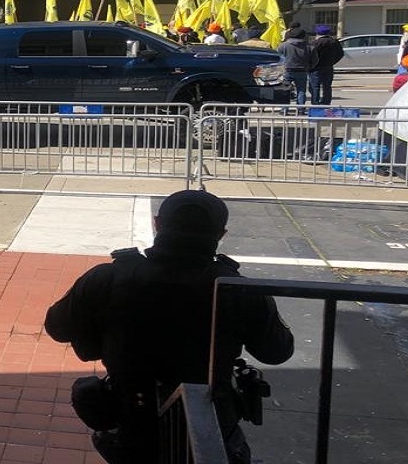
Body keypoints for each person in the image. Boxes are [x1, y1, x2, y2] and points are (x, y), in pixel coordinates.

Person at [45, 190, 294, 464]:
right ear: (221, 234)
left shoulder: (107, 277)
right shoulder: (237, 289)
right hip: (209, 420)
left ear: (157, 223)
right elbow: (277, 351)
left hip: (130, 418)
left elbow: (58, 328)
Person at [277, 28, 317, 105]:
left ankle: (284, 109)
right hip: (302, 71)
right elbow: (314, 60)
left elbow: (278, 58)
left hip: (286, 70)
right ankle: (300, 109)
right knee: (301, 91)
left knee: (285, 90)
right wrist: (309, 67)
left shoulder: (283, 46)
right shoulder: (309, 46)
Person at [309, 24, 345, 105]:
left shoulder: (315, 43)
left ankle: (315, 102)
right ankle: (326, 102)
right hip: (328, 67)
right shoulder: (334, 42)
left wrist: (311, 65)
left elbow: (310, 55)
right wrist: (332, 62)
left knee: (315, 86)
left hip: (316, 68)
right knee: (327, 86)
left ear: (317, 33)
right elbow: (340, 54)